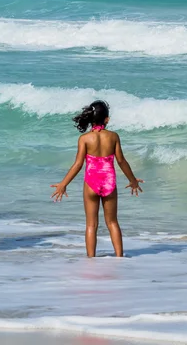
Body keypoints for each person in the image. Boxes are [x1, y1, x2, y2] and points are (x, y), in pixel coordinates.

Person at [50, 100, 143, 257]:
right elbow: (121, 161)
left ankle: (91, 260)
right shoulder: (113, 137)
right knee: (112, 222)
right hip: (109, 183)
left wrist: (63, 184)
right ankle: (120, 257)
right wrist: (132, 180)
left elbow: (78, 164)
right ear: (107, 119)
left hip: (91, 184)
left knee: (91, 225)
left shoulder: (85, 139)